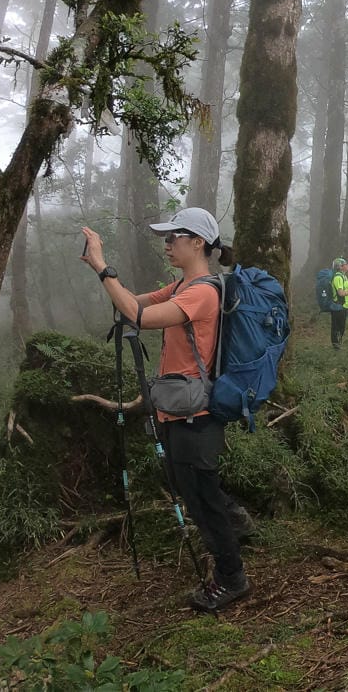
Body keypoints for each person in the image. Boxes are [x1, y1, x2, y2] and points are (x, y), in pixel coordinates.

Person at [80, 207, 254, 613]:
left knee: (201, 499)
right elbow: (133, 303)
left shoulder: (202, 292)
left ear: (198, 243)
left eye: (175, 236)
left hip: (197, 414)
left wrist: (105, 266)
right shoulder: (181, 286)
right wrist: (99, 271)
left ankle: (232, 577)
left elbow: (139, 315)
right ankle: (239, 523)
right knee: (197, 489)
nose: (167, 243)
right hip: (179, 410)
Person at [330, 257, 348, 349]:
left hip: (343, 306)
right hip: (338, 306)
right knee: (337, 328)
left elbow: (345, 290)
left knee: (341, 327)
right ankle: (336, 348)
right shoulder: (338, 277)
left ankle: (338, 345)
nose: (347, 265)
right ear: (340, 267)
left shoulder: (343, 276)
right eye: (345, 264)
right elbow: (341, 293)